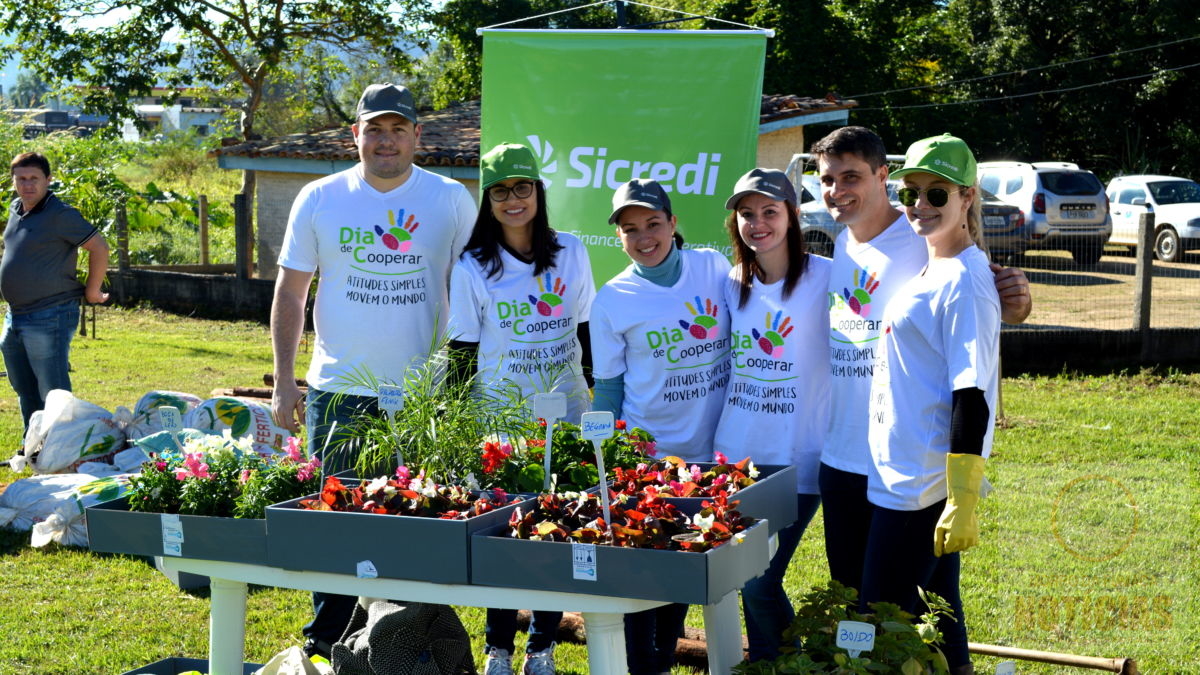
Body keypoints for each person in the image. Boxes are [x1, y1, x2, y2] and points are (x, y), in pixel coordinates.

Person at [269, 82, 475, 659]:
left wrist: (462, 383)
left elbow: (477, 293)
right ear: (353, 135)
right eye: (374, 129)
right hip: (340, 389)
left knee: (423, 519)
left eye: (398, 129)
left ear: (417, 136)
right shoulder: (319, 197)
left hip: (423, 394)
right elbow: (291, 294)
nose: (386, 140)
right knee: (335, 522)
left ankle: (409, 643)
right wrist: (286, 380)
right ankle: (326, 645)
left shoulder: (450, 199)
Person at [811, 126, 1031, 599]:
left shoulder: (927, 246)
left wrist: (965, 491)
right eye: (827, 179)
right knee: (929, 606)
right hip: (855, 451)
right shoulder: (856, 244)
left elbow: (974, 370)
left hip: (914, 467)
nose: (837, 190)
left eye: (851, 177)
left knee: (886, 615)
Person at [447, 142, 596, 674]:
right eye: (502, 191)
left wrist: (598, 396)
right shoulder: (473, 266)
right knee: (507, 535)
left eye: (523, 188)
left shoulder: (572, 251)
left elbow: (585, 330)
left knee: (556, 530)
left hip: (566, 414)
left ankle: (542, 648)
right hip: (501, 421)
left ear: (538, 192)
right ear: (489, 200)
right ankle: (498, 648)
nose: (514, 200)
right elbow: (462, 351)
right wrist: (456, 426)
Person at [861, 133, 997, 674]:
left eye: (936, 194)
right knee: (942, 618)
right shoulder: (934, 263)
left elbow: (973, 394)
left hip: (918, 487)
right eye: (911, 191)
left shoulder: (963, 280)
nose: (920, 205)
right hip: (904, 471)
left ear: (967, 197)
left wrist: (962, 496)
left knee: (882, 624)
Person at [590, 178, 732, 674]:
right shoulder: (611, 301)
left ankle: (663, 658)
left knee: (685, 562)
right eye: (630, 229)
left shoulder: (713, 268)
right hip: (649, 452)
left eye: (653, 223)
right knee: (642, 563)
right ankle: (639, 664)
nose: (643, 236)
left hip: (713, 452)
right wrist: (604, 456)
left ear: (673, 224)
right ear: (619, 237)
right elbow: (607, 387)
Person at [711, 168, 830, 662]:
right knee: (743, 577)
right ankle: (766, 664)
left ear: (793, 216)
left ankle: (786, 663)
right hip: (736, 457)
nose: (757, 223)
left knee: (759, 580)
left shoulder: (827, 274)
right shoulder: (730, 280)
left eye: (769, 212)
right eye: (746, 213)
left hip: (799, 461)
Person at [1, 151, 109, 445]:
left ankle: (63, 450)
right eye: (21, 179)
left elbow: (99, 247)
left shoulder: (61, 214)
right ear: (13, 181)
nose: (27, 185)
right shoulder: (15, 209)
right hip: (15, 315)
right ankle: (34, 447)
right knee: (24, 387)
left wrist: (92, 289)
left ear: (48, 180)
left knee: (53, 391)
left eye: (34, 178)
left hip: (50, 314)